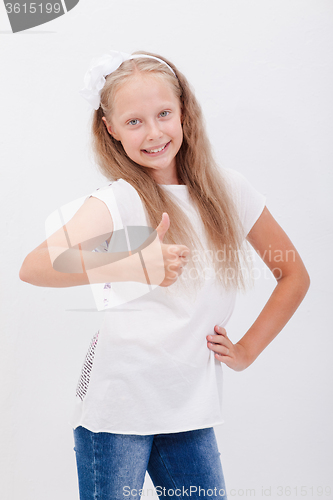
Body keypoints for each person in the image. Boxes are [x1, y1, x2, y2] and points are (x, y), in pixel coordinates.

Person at [19, 50, 310, 500]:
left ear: (184, 113)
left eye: (163, 114)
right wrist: (134, 265)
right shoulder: (120, 200)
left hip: (189, 410)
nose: (153, 132)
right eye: (134, 121)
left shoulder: (230, 190)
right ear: (111, 129)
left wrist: (248, 350)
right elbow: (34, 267)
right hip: (116, 413)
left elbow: (293, 274)